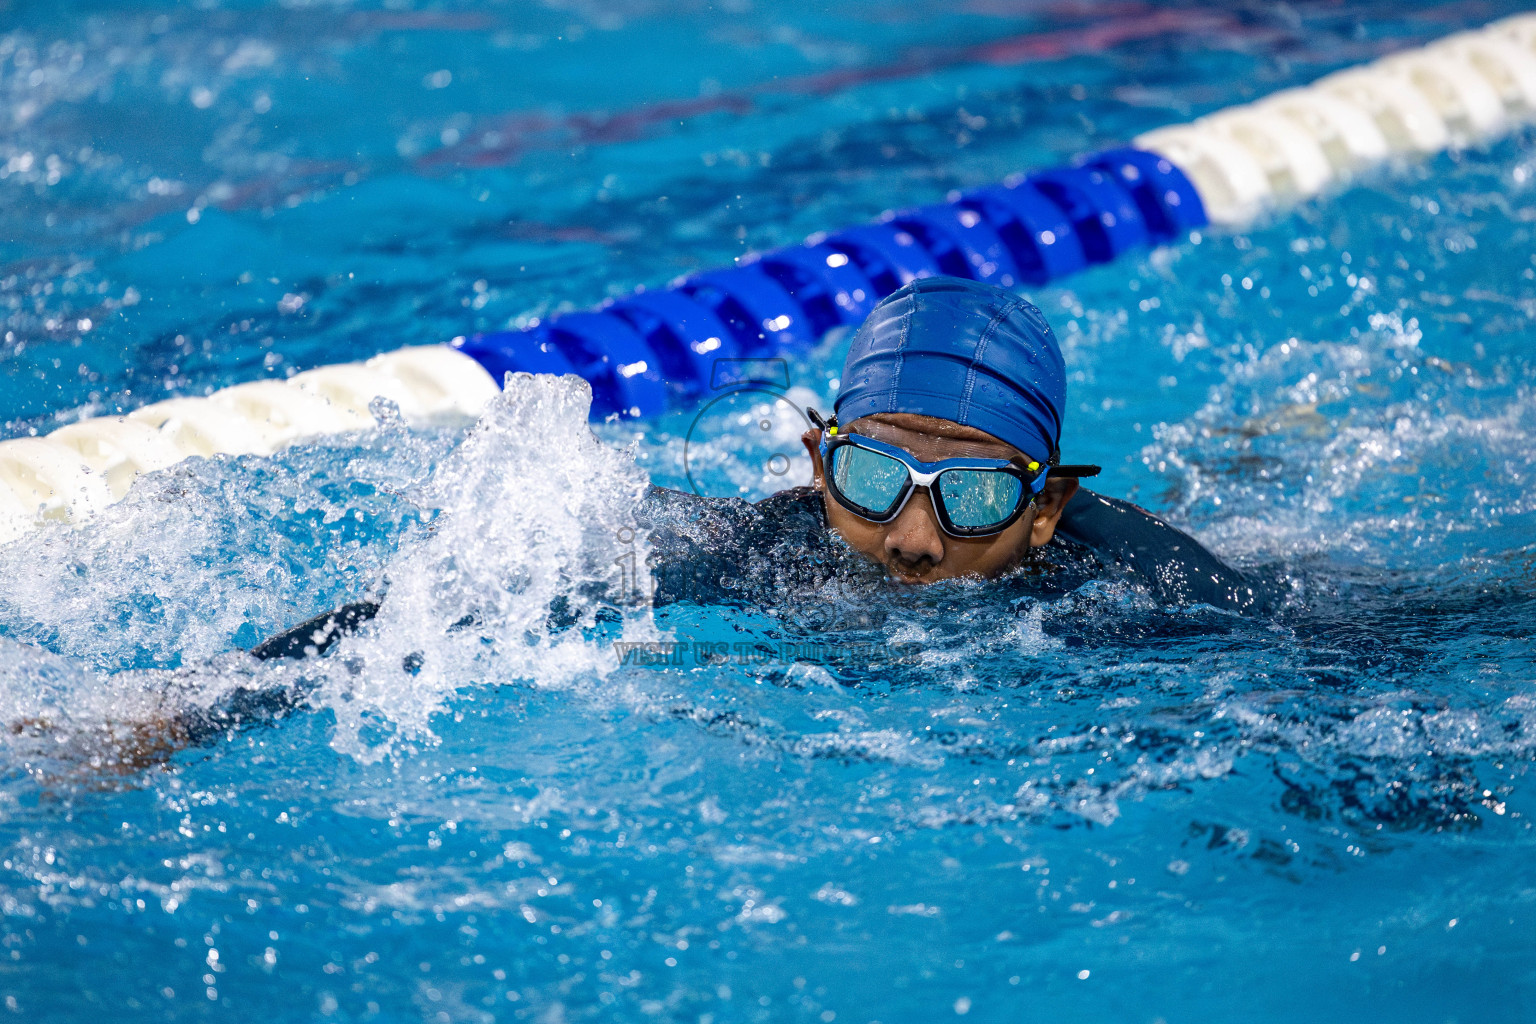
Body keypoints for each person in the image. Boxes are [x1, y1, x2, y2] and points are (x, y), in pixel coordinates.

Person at [253, 276, 1257, 662]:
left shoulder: (1145, 583)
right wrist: (208, 696)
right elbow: (458, 602)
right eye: (872, 482)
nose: (911, 541)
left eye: (977, 498)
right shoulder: (758, 548)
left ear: (1046, 510)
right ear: (822, 462)